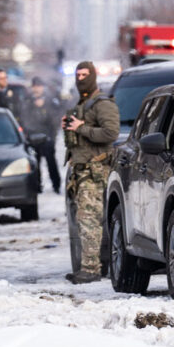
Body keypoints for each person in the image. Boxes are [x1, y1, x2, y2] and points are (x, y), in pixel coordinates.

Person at [63, 61, 119, 284]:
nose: (80, 78)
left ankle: (91, 269)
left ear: (93, 76)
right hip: (81, 171)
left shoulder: (102, 104)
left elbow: (111, 133)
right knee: (85, 220)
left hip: (95, 171)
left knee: (90, 221)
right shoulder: (83, 104)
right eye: (78, 74)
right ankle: (90, 266)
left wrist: (81, 128)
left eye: (85, 74)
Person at [24, 77, 63, 193]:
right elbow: (24, 117)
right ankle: (37, 185)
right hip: (33, 136)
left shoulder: (50, 100)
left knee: (51, 163)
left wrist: (44, 107)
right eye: (35, 86)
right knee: (35, 164)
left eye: (39, 86)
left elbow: (55, 119)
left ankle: (56, 185)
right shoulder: (28, 101)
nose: (37, 89)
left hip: (47, 136)